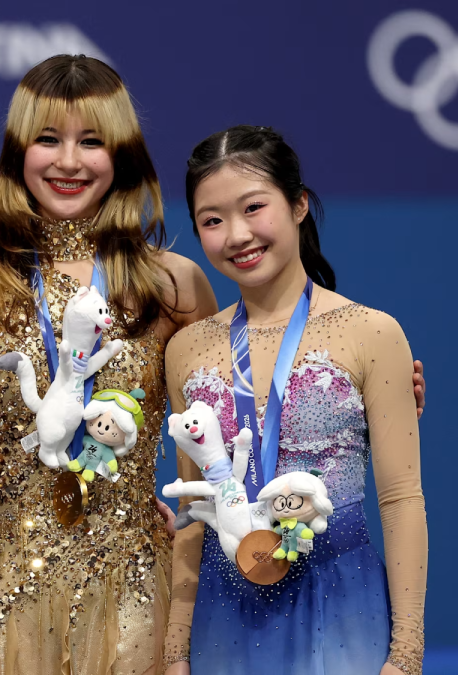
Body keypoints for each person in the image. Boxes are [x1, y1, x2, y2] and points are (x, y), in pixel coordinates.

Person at [0, 54, 218, 674]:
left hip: (135, 590)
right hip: (2, 589)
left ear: (121, 153)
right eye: (48, 139)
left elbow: (217, 445)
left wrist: (370, 394)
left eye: (91, 141)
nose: (69, 161)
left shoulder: (173, 284)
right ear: (18, 151)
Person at [162, 126, 427, 675]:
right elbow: (194, 515)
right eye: (212, 220)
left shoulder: (372, 333)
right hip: (224, 609)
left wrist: (406, 654)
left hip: (343, 602)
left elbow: (401, 498)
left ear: (299, 204)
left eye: (253, 207)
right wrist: (175, 650)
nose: (237, 234)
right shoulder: (186, 349)